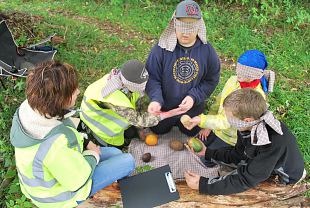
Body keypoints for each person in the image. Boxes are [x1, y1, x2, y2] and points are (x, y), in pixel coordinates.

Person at [10, 61, 135, 208]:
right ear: (61, 99)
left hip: (59, 170)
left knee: (115, 153)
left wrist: (86, 142)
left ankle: (117, 184)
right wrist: (93, 155)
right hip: (59, 196)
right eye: (73, 90)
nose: (78, 92)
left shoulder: (34, 108)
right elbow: (78, 180)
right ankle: (124, 196)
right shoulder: (52, 147)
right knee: (128, 161)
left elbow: (67, 134)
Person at [184, 88, 306, 195]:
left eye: (229, 117)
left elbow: (246, 180)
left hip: (284, 177)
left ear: (247, 120)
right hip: (264, 166)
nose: (227, 119)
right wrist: (208, 153)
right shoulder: (247, 127)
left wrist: (203, 185)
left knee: (240, 195)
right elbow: (239, 154)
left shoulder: (271, 144)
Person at [183, 49, 275, 166]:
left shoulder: (254, 97)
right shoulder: (233, 80)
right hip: (217, 126)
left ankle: (225, 157)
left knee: (205, 160)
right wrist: (208, 126)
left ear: (254, 75)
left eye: (243, 74)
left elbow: (227, 122)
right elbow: (219, 102)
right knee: (196, 145)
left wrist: (202, 120)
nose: (238, 75)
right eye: (238, 71)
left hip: (230, 137)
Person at [146, 0, 220, 137]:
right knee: (158, 130)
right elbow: (151, 77)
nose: (185, 34)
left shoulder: (207, 52)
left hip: (192, 108)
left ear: (199, 27)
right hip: (164, 107)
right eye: (181, 28)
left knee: (192, 131)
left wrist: (194, 97)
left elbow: (211, 79)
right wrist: (156, 99)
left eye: (190, 29)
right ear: (174, 24)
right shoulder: (160, 49)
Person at [80, 59, 182, 146]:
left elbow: (136, 105)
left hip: (113, 115)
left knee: (131, 132)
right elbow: (140, 120)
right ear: (130, 85)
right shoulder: (114, 97)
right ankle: (96, 136)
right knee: (119, 144)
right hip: (100, 126)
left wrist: (139, 129)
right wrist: (169, 114)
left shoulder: (124, 81)